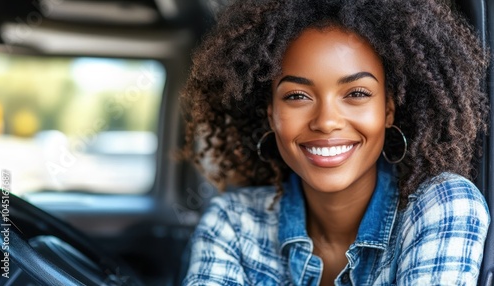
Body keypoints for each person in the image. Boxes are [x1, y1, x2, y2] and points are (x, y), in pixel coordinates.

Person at [181, 0, 491, 285]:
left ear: (388, 110)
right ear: (271, 115)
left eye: (356, 93)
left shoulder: (441, 206)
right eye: (297, 96)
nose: (326, 121)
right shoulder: (232, 224)